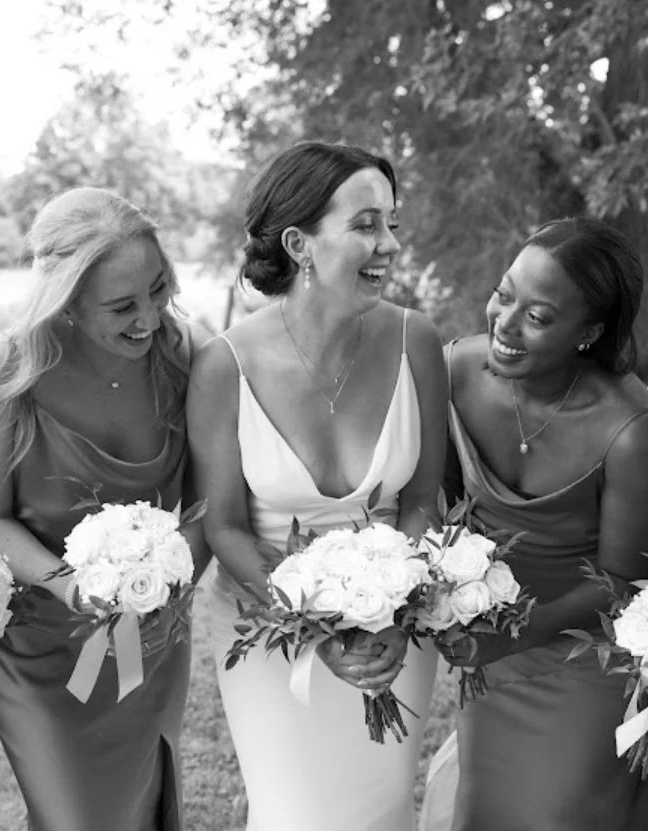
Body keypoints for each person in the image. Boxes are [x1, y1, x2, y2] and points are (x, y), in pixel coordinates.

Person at [188, 141, 447, 831]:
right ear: (301, 242)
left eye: (391, 222)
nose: (388, 243)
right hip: (267, 625)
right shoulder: (224, 365)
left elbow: (424, 500)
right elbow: (226, 529)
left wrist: (395, 607)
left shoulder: (415, 341)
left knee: (382, 810)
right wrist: (317, 626)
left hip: (398, 629)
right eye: (366, 224)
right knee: (295, 813)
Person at [0, 187, 209, 831]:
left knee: (142, 806)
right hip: (40, 646)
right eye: (122, 305)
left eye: (158, 289)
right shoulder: (7, 370)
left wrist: (168, 592)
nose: (148, 318)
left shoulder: (185, 358)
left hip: (152, 632)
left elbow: (209, 505)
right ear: (63, 298)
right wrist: (72, 589)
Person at [420, 218, 648, 831]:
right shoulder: (456, 370)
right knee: (487, 809)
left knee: (562, 814)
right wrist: (449, 597)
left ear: (589, 332)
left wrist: (512, 632)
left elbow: (622, 583)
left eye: (536, 317)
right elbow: (438, 509)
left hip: (581, 659)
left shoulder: (631, 431)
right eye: (503, 294)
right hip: (489, 650)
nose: (504, 324)